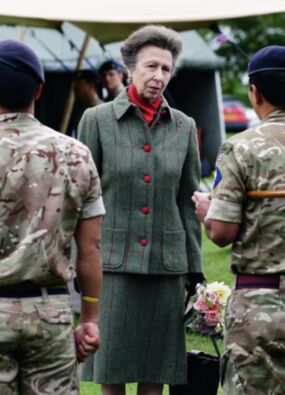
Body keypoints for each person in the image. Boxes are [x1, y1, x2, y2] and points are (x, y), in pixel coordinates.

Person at [78, 25, 203, 395]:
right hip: (112, 268)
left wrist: (194, 269)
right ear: (129, 67)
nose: (159, 76)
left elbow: (187, 199)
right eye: (151, 66)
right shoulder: (96, 121)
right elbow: (83, 199)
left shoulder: (184, 127)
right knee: (111, 377)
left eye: (166, 69)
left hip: (166, 269)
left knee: (154, 379)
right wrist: (75, 261)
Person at [0, 39, 105, 394]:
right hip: (50, 312)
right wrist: (89, 318)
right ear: (40, 90)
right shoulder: (75, 154)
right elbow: (91, 248)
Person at [192, 45, 285, 394]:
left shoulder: (240, 148)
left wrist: (206, 212)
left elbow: (221, 231)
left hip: (260, 304)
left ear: (255, 93)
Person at [69, 69, 103, 137]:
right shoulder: (82, 108)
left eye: (78, 84)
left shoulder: (99, 110)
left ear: (91, 86)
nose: (74, 87)